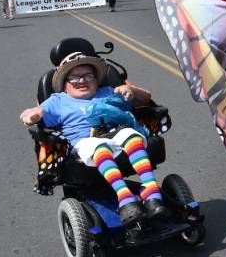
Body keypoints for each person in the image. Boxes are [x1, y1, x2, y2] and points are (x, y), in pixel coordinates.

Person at [19, 53, 166, 230]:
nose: (82, 80)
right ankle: (125, 197)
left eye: (88, 75)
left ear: (96, 80)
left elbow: (146, 98)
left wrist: (131, 91)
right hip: (84, 143)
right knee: (97, 145)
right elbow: (30, 113)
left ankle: (151, 190)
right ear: (65, 83)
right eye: (74, 77)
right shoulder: (58, 101)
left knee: (130, 134)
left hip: (115, 136)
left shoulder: (107, 92)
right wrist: (31, 116)